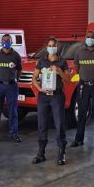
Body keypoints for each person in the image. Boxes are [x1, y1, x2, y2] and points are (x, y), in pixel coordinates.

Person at [31, 37, 71, 165]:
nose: (51, 47)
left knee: (59, 125)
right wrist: (40, 89)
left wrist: (59, 71)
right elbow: (34, 78)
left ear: (57, 47)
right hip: (43, 97)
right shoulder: (42, 61)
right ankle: (41, 153)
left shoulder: (63, 62)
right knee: (42, 124)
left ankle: (61, 153)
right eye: (49, 45)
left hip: (57, 96)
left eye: (53, 45)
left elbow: (68, 79)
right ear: (47, 47)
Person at [0, 34, 23, 143]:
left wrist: (14, 79)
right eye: (4, 40)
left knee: (13, 111)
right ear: (1, 42)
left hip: (11, 86)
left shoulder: (16, 56)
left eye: (8, 40)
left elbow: (19, 70)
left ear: (11, 41)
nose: (6, 42)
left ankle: (14, 133)